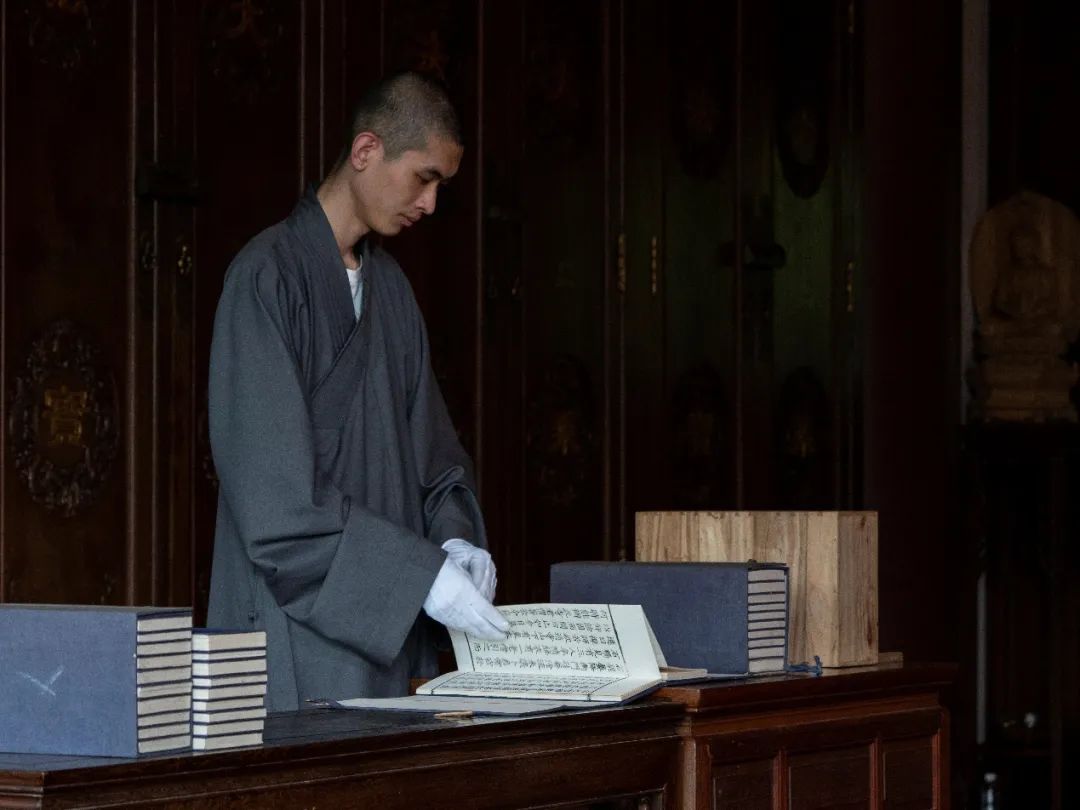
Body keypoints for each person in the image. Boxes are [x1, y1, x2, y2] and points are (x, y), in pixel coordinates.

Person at [207, 71, 508, 712]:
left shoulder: (391, 291)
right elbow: (276, 509)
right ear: (367, 150)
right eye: (424, 178)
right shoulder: (264, 278)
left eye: (441, 187)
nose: (430, 203)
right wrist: (419, 578)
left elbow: (436, 458)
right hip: (291, 627)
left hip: (391, 636)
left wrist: (456, 541)